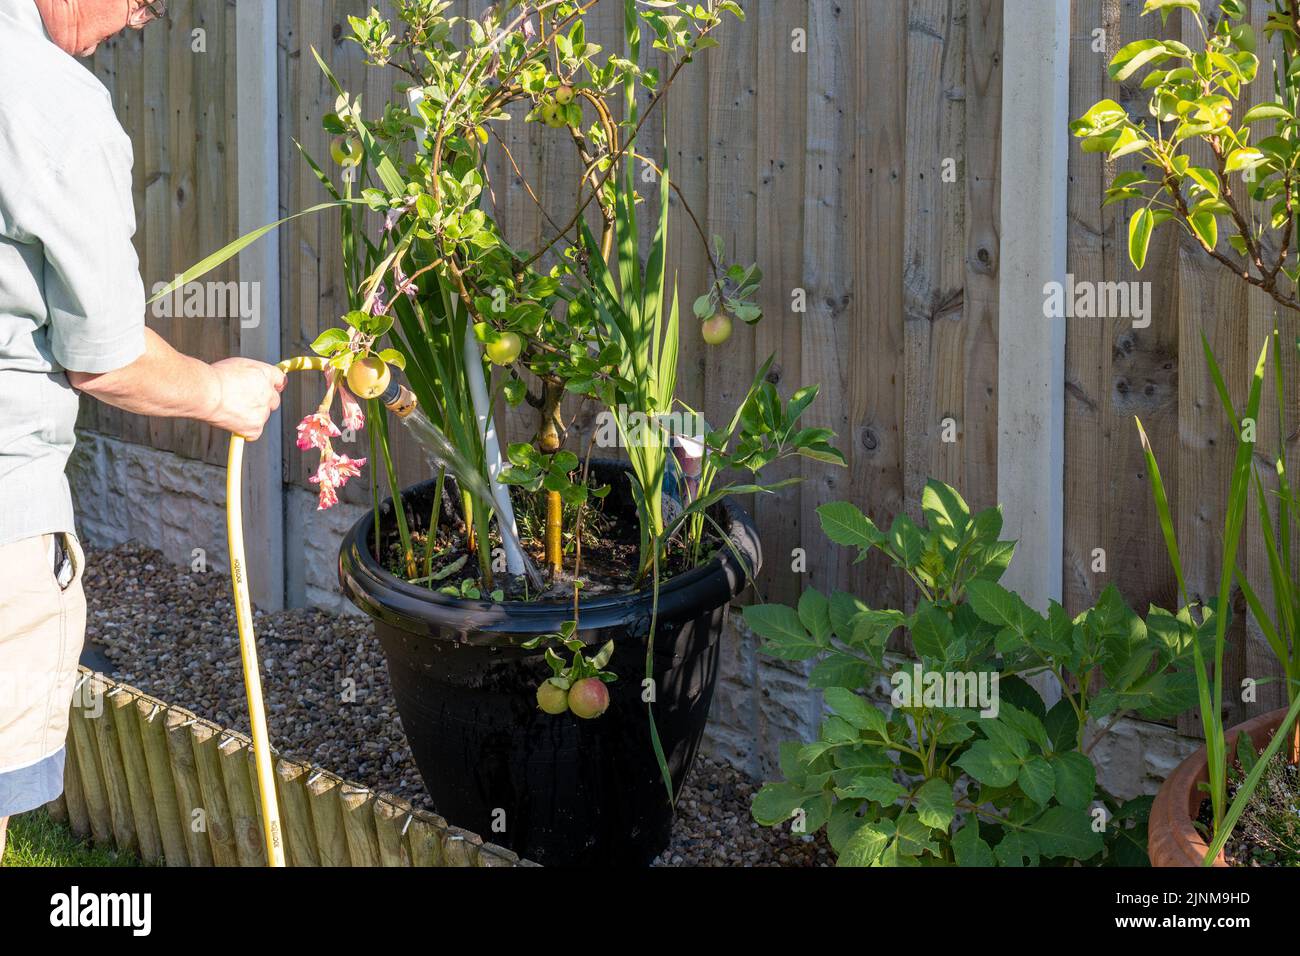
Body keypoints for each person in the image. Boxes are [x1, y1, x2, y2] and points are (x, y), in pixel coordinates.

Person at [0, 0, 286, 857]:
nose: (134, 21)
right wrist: (213, 391)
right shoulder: (51, 100)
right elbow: (106, 359)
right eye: (138, 2)